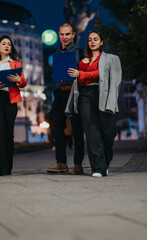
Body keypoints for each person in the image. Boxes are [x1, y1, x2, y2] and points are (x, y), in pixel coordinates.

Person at [66, 31, 122, 177]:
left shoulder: (112, 59)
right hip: (86, 95)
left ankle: (104, 163)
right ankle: (97, 168)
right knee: (92, 133)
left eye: (95, 39)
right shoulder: (83, 62)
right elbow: (79, 81)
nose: (92, 42)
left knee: (108, 133)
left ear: (102, 42)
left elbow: (105, 76)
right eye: (90, 39)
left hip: (104, 94)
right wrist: (81, 70)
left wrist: (82, 74)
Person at [0, 35, 27, 176]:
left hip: (11, 99)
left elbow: (24, 83)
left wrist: (19, 80)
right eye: (4, 43)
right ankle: (2, 167)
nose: (7, 46)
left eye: (9, 44)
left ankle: (9, 167)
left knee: (9, 134)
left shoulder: (16, 63)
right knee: (0, 132)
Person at [47, 23, 85, 174]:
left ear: (73, 35)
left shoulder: (79, 52)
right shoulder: (57, 52)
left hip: (74, 92)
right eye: (62, 34)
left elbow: (84, 73)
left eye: (68, 34)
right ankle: (61, 162)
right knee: (56, 126)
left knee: (76, 128)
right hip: (60, 93)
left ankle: (78, 164)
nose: (65, 37)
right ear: (59, 35)